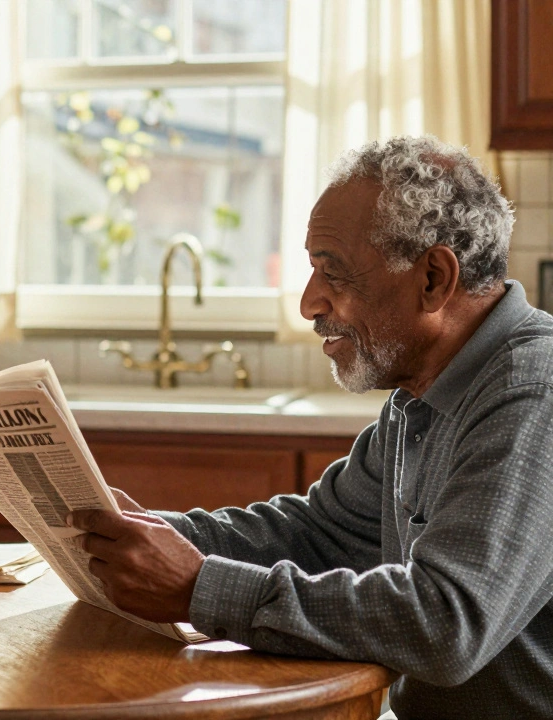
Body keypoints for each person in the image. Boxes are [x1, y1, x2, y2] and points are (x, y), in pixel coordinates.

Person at [69, 136, 553, 719]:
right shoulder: (420, 393)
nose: (308, 302)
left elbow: (445, 622)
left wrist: (199, 587)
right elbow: (319, 533)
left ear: (433, 279)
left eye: (335, 273)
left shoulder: (533, 392)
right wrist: (140, 534)